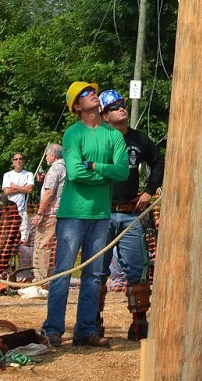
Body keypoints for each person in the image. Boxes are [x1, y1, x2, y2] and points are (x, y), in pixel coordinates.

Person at [41, 82, 129, 349]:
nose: (93, 93)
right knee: (63, 271)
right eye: (85, 93)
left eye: (93, 91)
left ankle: (86, 330)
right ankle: (52, 329)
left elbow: (123, 171)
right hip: (72, 214)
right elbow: (75, 173)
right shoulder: (72, 133)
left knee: (94, 274)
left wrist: (93, 165)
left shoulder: (113, 135)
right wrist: (104, 175)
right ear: (77, 106)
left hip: (100, 214)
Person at [95, 89, 165, 340]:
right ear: (104, 115)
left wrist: (148, 191)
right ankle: (93, 322)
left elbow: (159, 162)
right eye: (114, 106)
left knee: (137, 270)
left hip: (129, 213)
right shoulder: (97, 139)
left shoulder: (139, 139)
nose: (121, 108)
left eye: (122, 104)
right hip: (102, 214)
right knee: (97, 271)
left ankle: (139, 323)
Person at [28, 142, 65, 296]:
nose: (45, 158)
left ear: (53, 155)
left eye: (47, 155)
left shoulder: (55, 169)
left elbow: (49, 193)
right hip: (61, 213)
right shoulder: (66, 167)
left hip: (50, 214)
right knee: (51, 247)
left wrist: (39, 213)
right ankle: (46, 280)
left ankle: (41, 281)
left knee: (42, 246)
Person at [2, 151, 34, 243]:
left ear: (24, 161)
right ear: (13, 162)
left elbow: (30, 190)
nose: (18, 161)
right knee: (7, 237)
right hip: (9, 212)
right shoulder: (7, 175)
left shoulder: (29, 174)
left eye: (20, 159)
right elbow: (7, 191)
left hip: (22, 211)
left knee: (23, 238)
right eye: (16, 159)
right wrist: (23, 188)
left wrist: (14, 186)